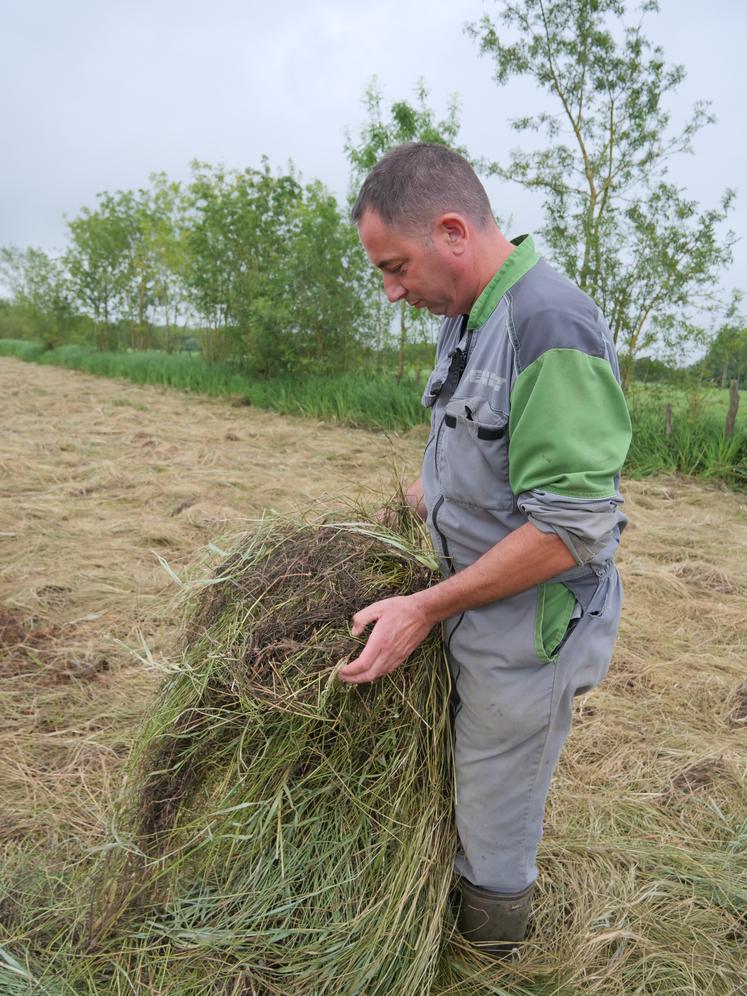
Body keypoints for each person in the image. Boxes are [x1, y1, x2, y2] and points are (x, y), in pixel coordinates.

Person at [338, 142, 632, 954]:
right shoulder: (467, 315)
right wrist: (404, 507)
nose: (393, 290)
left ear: (452, 231)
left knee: (494, 798)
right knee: (463, 772)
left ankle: (491, 955)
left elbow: (572, 526)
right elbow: (480, 452)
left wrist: (423, 608)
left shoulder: (548, 322)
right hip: (464, 598)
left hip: (524, 622)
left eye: (396, 267)